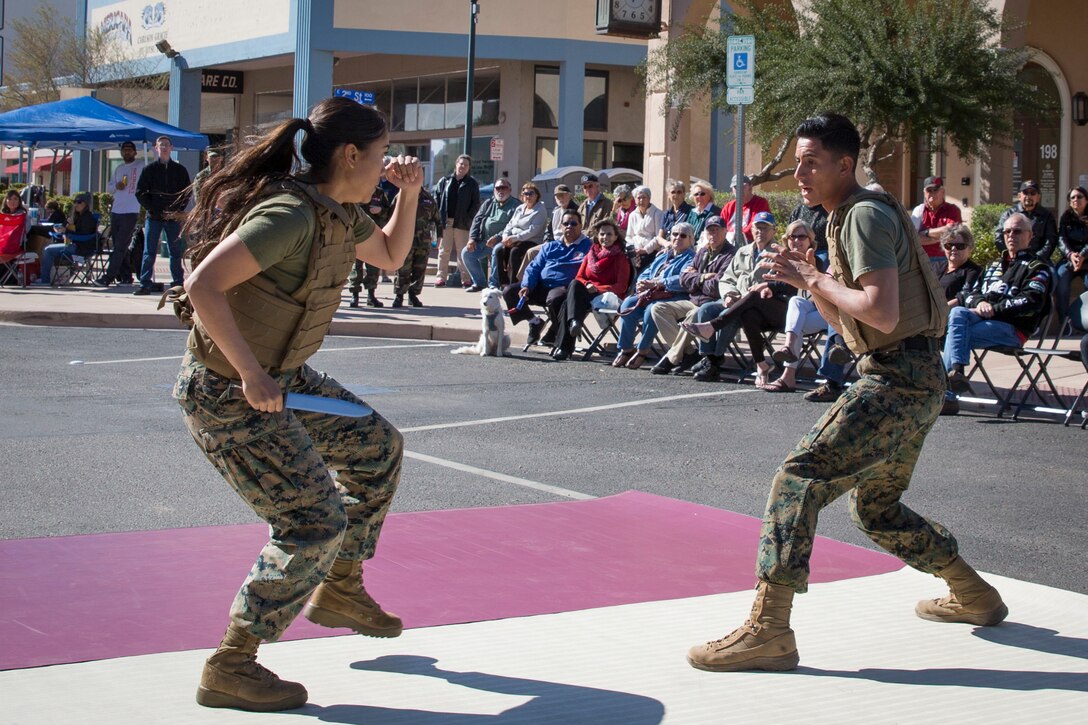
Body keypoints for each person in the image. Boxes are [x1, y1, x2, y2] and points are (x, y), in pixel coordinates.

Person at [687, 113, 1006, 675]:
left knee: (798, 478)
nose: (800, 174)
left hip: (897, 379)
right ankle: (974, 593)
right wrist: (809, 278)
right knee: (875, 507)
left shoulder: (860, 216)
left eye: (811, 163)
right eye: (797, 162)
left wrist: (812, 280)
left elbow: (880, 310)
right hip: (910, 375)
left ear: (845, 164)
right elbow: (856, 327)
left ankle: (769, 630)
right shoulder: (846, 217)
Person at [174, 97, 422, 712]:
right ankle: (232, 664)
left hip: (283, 379)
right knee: (312, 523)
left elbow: (390, 256)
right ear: (351, 154)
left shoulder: (339, 212)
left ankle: (340, 586)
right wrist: (251, 372)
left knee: (376, 447)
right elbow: (203, 283)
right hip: (228, 394)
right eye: (383, 155)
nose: (386, 165)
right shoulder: (291, 214)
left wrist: (409, 195)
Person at [943, 212, 1053, 399]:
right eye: (1007, 231)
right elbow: (971, 294)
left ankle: (947, 394)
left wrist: (994, 309)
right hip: (982, 320)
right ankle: (957, 372)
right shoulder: (993, 265)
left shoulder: (1037, 267)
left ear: (1030, 236)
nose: (1011, 235)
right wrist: (982, 302)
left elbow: (1032, 301)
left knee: (956, 333)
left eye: (1017, 231)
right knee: (958, 314)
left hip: (1013, 328)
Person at [680, 211, 779, 383]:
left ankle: (714, 361)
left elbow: (775, 286)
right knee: (706, 309)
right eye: (757, 227)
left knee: (731, 316)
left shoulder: (777, 254)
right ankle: (709, 357)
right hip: (734, 298)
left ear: (774, 231)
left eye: (765, 228)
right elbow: (727, 278)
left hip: (757, 308)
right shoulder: (743, 251)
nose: (760, 232)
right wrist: (728, 295)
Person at [649, 215, 736, 374]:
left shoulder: (730, 255)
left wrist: (696, 278)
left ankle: (672, 357)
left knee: (695, 314)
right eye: (710, 231)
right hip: (694, 300)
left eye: (717, 231)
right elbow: (684, 279)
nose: (713, 235)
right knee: (658, 309)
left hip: (712, 303)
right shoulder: (702, 251)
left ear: (725, 232)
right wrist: (703, 277)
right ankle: (689, 352)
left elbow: (717, 286)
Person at [612, 221, 696, 370]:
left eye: (683, 235)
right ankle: (625, 348)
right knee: (627, 304)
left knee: (652, 309)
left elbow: (683, 280)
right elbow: (648, 270)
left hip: (674, 296)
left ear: (691, 239)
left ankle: (643, 350)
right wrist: (642, 282)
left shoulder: (692, 258)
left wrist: (658, 283)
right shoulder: (664, 254)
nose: (677, 238)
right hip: (650, 293)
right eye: (675, 234)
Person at [502, 209, 592, 346]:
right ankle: (534, 322)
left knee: (554, 298)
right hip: (541, 286)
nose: (569, 226)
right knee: (510, 291)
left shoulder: (588, 246)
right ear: (560, 226)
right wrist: (527, 285)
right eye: (566, 223)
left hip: (565, 289)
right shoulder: (550, 246)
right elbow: (534, 267)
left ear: (581, 226)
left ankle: (554, 331)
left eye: (574, 223)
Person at [551, 218, 632, 360]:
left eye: (608, 234)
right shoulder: (591, 254)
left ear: (615, 236)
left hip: (606, 296)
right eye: (602, 234)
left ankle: (564, 347)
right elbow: (579, 276)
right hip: (587, 293)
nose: (604, 237)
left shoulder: (620, 257)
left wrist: (597, 288)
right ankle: (574, 323)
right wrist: (588, 285)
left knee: (567, 304)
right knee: (575, 285)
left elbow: (622, 286)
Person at [764, 221, 830, 393]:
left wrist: (771, 287)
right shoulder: (784, 261)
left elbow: (781, 285)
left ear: (810, 241)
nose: (797, 240)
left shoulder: (818, 261)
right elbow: (774, 282)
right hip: (800, 312)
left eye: (801, 236)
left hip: (825, 313)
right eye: (792, 236)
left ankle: (788, 372)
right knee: (795, 305)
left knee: (795, 318)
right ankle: (788, 369)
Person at [134, 135, 192, 295]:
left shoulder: (180, 170)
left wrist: (178, 209)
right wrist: (152, 209)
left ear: (171, 148)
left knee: (175, 252)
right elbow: (140, 193)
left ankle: (178, 285)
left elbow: (187, 192)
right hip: (154, 217)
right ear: (156, 148)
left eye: (167, 145)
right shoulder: (149, 170)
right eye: (161, 145)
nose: (164, 148)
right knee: (149, 251)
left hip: (173, 217)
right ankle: (145, 284)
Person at [96, 141, 145, 287]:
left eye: (130, 150)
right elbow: (109, 188)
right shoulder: (119, 168)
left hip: (131, 211)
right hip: (116, 210)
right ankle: (125, 276)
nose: (127, 152)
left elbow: (154, 161)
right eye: (124, 150)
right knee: (118, 245)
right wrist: (116, 186)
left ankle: (109, 276)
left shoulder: (140, 165)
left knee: (120, 246)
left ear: (135, 152)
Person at [433, 153, 480, 287]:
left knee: (462, 252)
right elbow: (436, 198)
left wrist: (469, 217)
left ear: (468, 168)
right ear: (456, 164)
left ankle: (465, 279)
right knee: (444, 251)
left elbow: (476, 204)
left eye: (466, 165)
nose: (463, 167)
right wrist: (438, 217)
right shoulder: (445, 181)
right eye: (461, 164)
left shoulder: (472, 184)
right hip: (446, 221)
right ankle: (441, 277)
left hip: (462, 222)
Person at [462, 179, 518, 291]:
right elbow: (477, 220)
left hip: (503, 241)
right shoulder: (488, 203)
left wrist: (498, 237)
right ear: (494, 190)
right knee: (467, 253)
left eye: (504, 188)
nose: (501, 190)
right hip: (483, 240)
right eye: (498, 188)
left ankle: (494, 284)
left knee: (496, 251)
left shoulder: (516, 205)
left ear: (510, 190)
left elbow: (514, 226)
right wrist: (472, 238)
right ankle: (480, 283)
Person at [348, 178, 394, 307]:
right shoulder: (355, 191)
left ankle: (371, 295)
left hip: (374, 235)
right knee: (356, 267)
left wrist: (380, 211)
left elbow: (388, 212)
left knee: (373, 267)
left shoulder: (380, 193)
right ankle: (354, 295)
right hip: (356, 235)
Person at [34, 192, 98, 286]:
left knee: (48, 250)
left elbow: (84, 236)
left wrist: (67, 231)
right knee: (49, 247)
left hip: (82, 248)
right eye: (75, 202)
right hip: (76, 245)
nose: (76, 204)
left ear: (86, 204)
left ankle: (45, 280)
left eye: (79, 202)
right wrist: (64, 227)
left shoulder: (88, 218)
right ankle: (49, 277)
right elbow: (72, 232)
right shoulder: (78, 216)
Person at [392, 186, 439, 308]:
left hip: (423, 241)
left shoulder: (428, 198)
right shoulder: (401, 196)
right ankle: (399, 296)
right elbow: (390, 216)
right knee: (403, 269)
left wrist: (438, 238)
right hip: (404, 240)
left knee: (420, 269)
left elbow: (436, 219)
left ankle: (413, 295)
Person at [493, 182, 547, 288]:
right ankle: (503, 284)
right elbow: (510, 224)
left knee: (515, 252)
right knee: (499, 250)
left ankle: (514, 284)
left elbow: (533, 231)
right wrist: (505, 236)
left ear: (537, 195)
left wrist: (514, 238)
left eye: (531, 193)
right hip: (513, 239)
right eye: (525, 194)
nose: (528, 196)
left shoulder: (540, 210)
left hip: (531, 241)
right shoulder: (520, 208)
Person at [993, 180, 1057, 260]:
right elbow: (998, 236)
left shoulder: (1047, 216)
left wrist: (1037, 258)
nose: (1029, 196)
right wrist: (1008, 255)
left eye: (1033, 193)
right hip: (1012, 258)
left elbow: (1050, 241)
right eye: (1026, 193)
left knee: (1052, 272)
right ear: (1019, 196)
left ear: (1038, 197)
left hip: (1039, 259)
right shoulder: (1009, 214)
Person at [911, 176, 962, 271]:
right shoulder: (919, 211)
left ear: (942, 192)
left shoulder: (953, 210)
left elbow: (952, 232)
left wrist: (926, 233)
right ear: (924, 193)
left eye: (936, 190)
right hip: (923, 260)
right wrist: (941, 238)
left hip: (946, 260)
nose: (932, 193)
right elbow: (914, 239)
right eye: (929, 190)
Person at [1056, 186, 1088, 322]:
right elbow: (1061, 239)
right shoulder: (1066, 217)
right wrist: (1070, 255)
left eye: (1079, 197)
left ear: (1086, 200)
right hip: (1070, 260)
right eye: (1072, 197)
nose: (1076, 200)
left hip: (1086, 259)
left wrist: (1082, 255)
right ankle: (1064, 321)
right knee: (1061, 278)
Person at [935, 224, 983, 309]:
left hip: (949, 314)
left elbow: (964, 296)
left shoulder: (974, 271)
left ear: (970, 248)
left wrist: (940, 310)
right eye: (949, 245)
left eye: (960, 246)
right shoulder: (935, 266)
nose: (953, 249)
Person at [719, 175, 770, 243]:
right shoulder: (728, 206)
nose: (739, 190)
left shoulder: (760, 203)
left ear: (750, 187)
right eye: (736, 187)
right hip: (728, 242)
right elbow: (720, 226)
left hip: (750, 242)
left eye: (743, 187)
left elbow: (755, 225)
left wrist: (737, 236)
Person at [625, 185, 663, 273]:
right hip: (635, 250)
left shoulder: (657, 213)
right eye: (638, 198)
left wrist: (645, 250)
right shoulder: (632, 215)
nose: (641, 200)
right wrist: (634, 249)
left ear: (649, 198)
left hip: (651, 251)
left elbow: (658, 237)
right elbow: (628, 236)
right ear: (635, 199)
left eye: (644, 197)